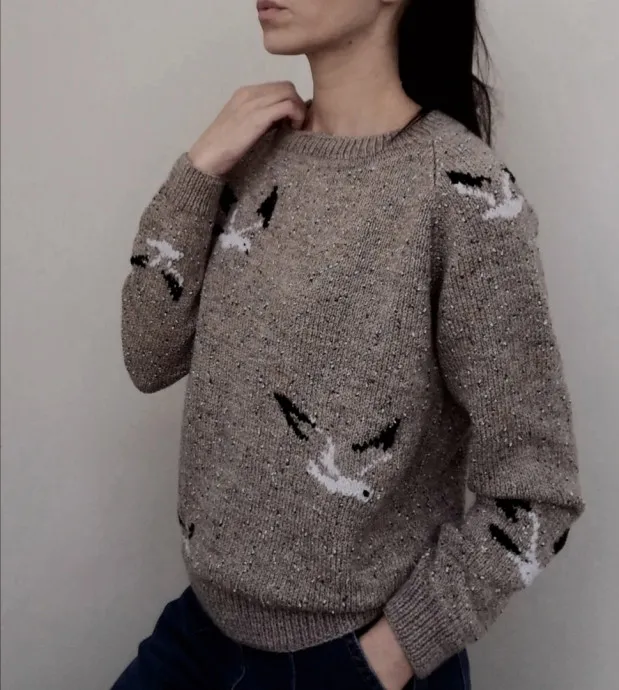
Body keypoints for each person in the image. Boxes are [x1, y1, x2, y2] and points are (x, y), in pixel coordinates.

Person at [114, 1, 586, 688]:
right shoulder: (250, 159)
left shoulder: (461, 193)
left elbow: (538, 490)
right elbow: (148, 354)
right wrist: (199, 168)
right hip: (200, 632)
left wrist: (391, 655)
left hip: (345, 658)